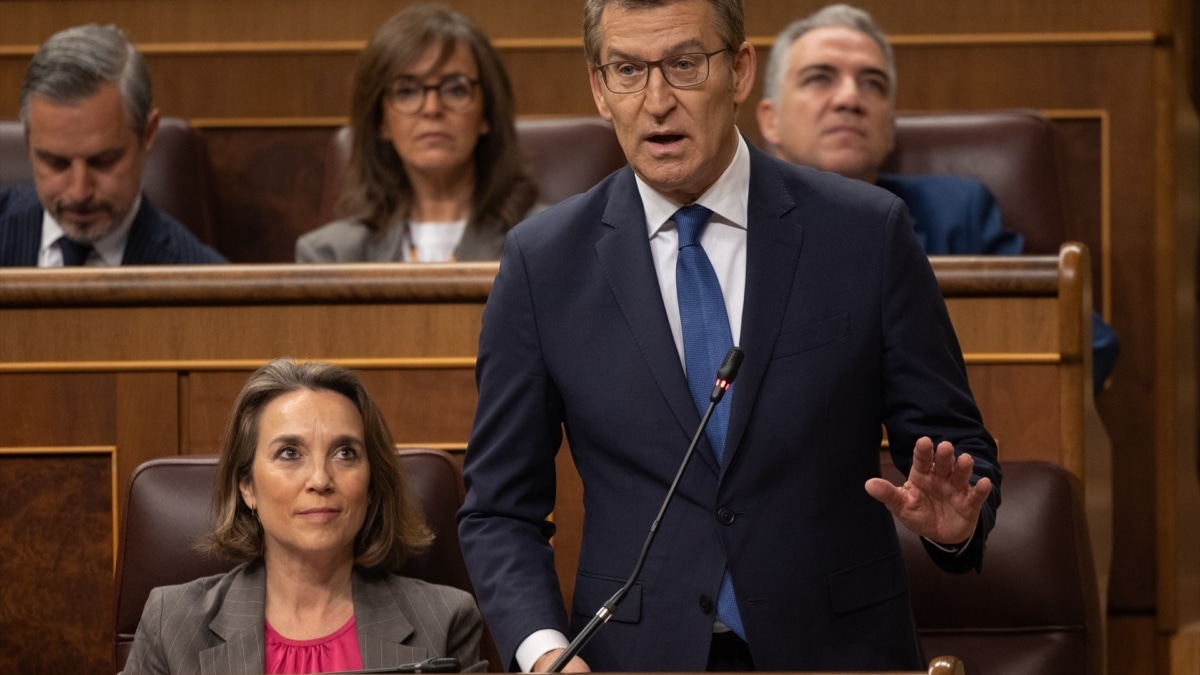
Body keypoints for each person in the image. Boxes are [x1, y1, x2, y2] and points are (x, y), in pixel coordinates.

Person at [457, 0, 1000, 672]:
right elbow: (499, 511)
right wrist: (545, 654)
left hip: (838, 652)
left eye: (685, 64)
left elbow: (959, 448)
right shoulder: (545, 262)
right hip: (634, 658)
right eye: (628, 69)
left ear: (740, 71)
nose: (657, 101)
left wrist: (957, 526)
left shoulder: (865, 233)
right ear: (599, 88)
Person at [755, 3, 1118, 393]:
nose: (850, 98)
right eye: (819, 78)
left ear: (890, 126)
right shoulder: (729, 222)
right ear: (769, 118)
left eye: (872, 83)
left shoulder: (956, 213)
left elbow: (1089, 343)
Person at [122, 359, 486, 674]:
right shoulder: (172, 623)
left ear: (372, 483)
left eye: (345, 453)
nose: (320, 480)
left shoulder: (444, 621)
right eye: (289, 453)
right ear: (247, 485)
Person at [296, 3, 540, 263]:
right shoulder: (331, 254)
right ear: (382, 122)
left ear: (487, 114)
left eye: (455, 89)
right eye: (407, 91)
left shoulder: (546, 239)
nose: (432, 108)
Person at [0, 24, 225, 266]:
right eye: (57, 164)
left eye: (102, 162)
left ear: (147, 135)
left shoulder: (202, 281)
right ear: (29, 139)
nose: (79, 192)